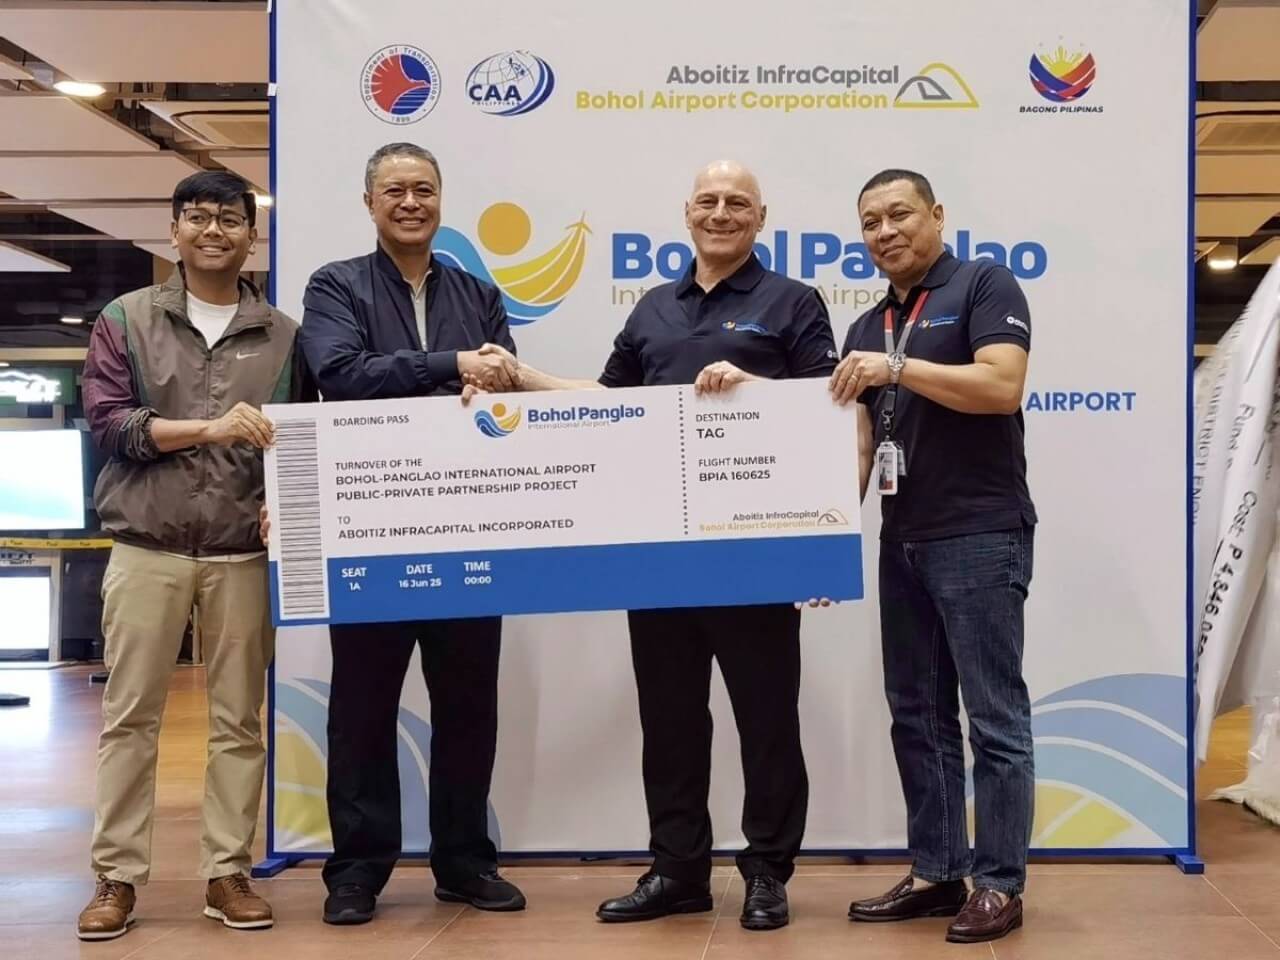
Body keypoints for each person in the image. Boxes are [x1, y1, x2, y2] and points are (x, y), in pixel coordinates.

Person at [474, 160, 839, 931]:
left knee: (767, 722)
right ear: (687, 212)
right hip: (660, 554)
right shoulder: (652, 309)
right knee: (670, 722)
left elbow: (826, 410)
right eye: (708, 200)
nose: (721, 212)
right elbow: (606, 404)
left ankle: (767, 872)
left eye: (737, 202)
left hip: (754, 555)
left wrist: (756, 392)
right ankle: (678, 871)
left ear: (761, 217)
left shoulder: (793, 301)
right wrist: (522, 379)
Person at [296, 142, 524, 926]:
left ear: (440, 199)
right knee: (362, 707)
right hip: (372, 524)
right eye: (394, 190)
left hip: (467, 521)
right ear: (370, 202)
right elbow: (341, 375)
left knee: (469, 704)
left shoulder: (478, 293)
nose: (410, 202)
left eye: (423, 189)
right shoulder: (336, 285)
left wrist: (479, 382)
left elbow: (503, 389)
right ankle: (358, 870)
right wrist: (450, 365)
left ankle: (464, 861)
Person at [78, 170, 303, 940]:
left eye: (230, 219)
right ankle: (115, 877)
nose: (214, 231)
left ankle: (227, 872)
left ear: (251, 234)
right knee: (129, 720)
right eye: (198, 217)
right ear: (173, 230)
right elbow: (110, 425)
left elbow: (300, 442)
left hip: (242, 554)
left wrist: (286, 502)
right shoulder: (126, 318)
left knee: (239, 721)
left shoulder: (284, 335)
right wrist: (208, 428)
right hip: (146, 547)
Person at [833, 169, 1037, 944]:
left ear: (937, 215)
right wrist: (817, 542)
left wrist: (898, 367)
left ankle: (999, 883)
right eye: (870, 222)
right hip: (903, 539)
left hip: (980, 533)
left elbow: (1001, 386)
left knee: (994, 719)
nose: (884, 232)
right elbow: (859, 447)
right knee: (917, 716)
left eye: (899, 214)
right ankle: (937, 869)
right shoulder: (866, 326)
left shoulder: (984, 284)